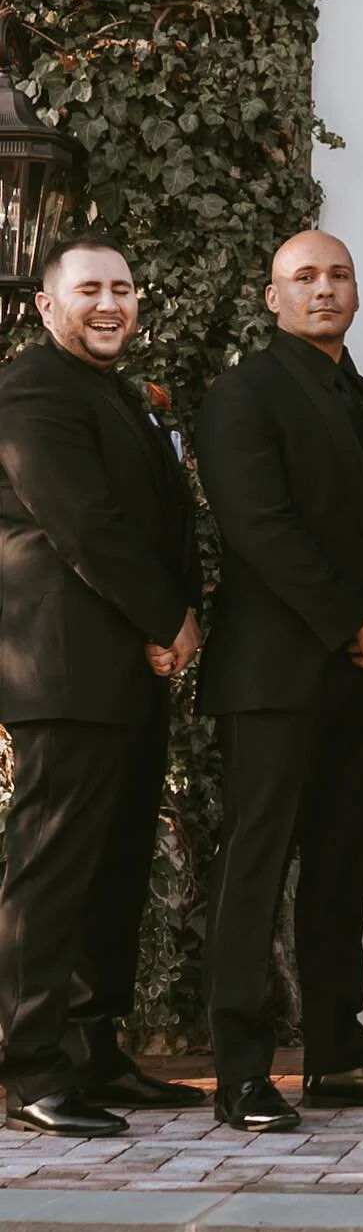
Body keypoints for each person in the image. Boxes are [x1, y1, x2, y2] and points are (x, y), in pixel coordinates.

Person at [195, 229, 363, 1132]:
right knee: (256, 871)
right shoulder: (241, 395)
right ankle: (240, 1066)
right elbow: (261, 529)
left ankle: (338, 1053)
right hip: (276, 677)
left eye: (339, 273)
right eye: (304, 277)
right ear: (274, 298)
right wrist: (356, 624)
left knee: (343, 869)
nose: (325, 288)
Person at [0, 235, 204, 1135]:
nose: (110, 303)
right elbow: (84, 525)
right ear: (49, 307)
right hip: (63, 671)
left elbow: (162, 525)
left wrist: (172, 628)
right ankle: (31, 1067)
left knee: (115, 867)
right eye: (89, 290)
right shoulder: (32, 389)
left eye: (122, 288)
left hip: (127, 670)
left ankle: (92, 1050)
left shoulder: (119, 395)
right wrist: (172, 620)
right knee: (50, 874)